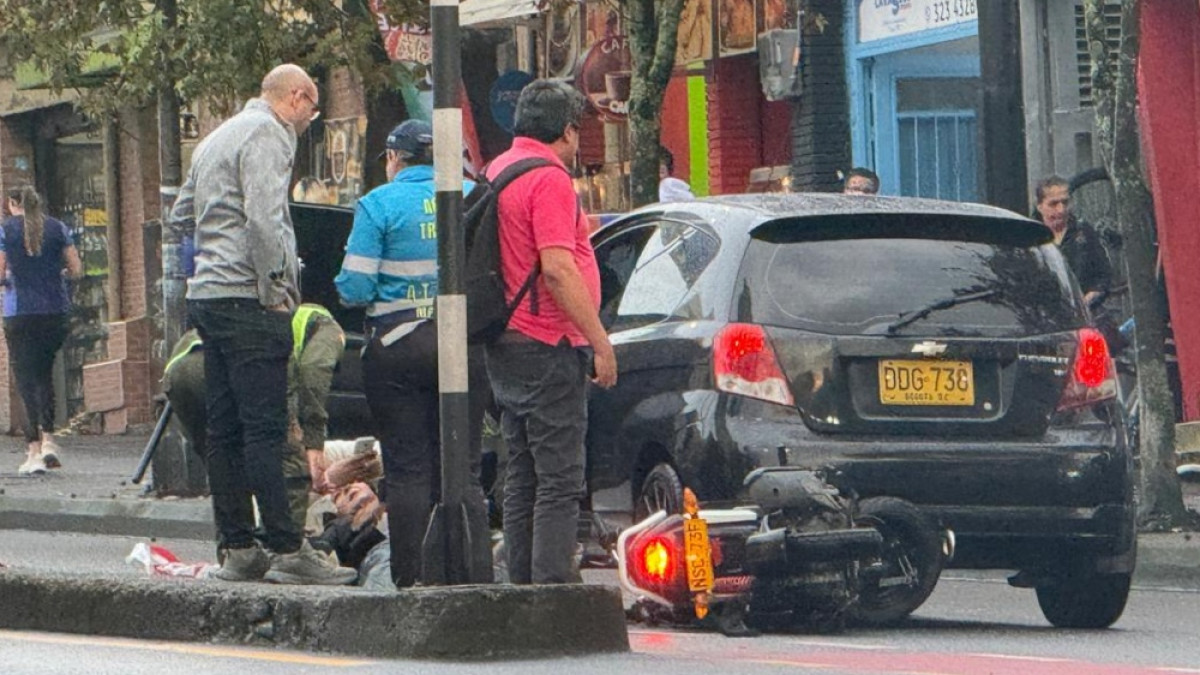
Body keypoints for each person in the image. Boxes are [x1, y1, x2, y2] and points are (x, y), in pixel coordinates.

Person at [169, 63, 354, 585]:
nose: (310, 120)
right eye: (312, 109)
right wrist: (277, 289)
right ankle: (287, 548)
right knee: (267, 430)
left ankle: (237, 548)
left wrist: (211, 249)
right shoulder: (269, 134)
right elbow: (264, 218)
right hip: (250, 299)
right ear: (296, 97)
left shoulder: (215, 139)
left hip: (209, 297)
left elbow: (181, 215)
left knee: (224, 428)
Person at [335, 120, 492, 588]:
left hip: (397, 348)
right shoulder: (476, 196)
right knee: (462, 467)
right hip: (464, 344)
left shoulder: (378, 204)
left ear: (394, 159)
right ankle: (469, 574)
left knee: (407, 468)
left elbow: (355, 287)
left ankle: (412, 579)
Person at [485, 80, 617, 584]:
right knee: (560, 479)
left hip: (507, 341)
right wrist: (600, 341)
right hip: (549, 341)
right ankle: (553, 591)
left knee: (522, 473)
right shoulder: (549, 179)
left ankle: (523, 586)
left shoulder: (497, 171)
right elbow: (558, 269)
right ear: (566, 131)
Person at [163, 303, 346, 529]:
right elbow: (314, 368)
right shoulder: (328, 327)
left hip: (178, 371)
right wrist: (313, 441)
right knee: (290, 465)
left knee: (225, 465)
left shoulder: (267, 313)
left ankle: (236, 544)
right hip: (224, 364)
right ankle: (286, 544)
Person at [0, 186, 82, 476]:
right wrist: (57, 274)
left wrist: (9, 279)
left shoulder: (5, 231)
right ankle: (49, 440)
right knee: (44, 374)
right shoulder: (57, 227)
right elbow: (76, 268)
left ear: (13, 203)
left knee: (25, 381)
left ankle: (33, 451)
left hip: (19, 312)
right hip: (54, 311)